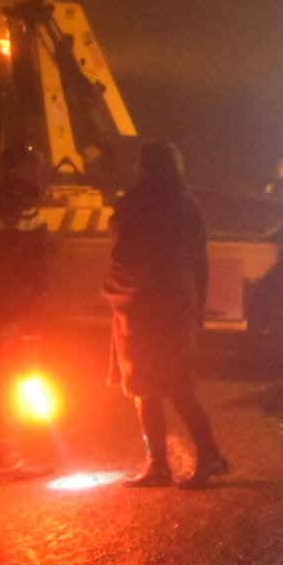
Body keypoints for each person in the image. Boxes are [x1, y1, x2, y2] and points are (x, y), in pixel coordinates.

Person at [103, 140, 228, 489]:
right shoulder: (189, 206)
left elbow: (123, 259)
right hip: (179, 307)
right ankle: (208, 456)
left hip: (142, 309)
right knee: (180, 386)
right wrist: (197, 309)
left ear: (143, 167)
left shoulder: (134, 207)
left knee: (145, 388)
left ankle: (160, 465)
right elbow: (200, 261)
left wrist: (112, 292)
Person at [0, 144, 50, 484]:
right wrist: (24, 305)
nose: (41, 169)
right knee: (8, 384)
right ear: (16, 168)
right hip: (10, 311)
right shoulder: (15, 204)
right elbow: (12, 263)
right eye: (34, 164)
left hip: (3, 308)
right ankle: (6, 461)